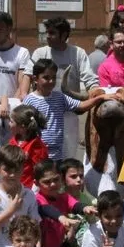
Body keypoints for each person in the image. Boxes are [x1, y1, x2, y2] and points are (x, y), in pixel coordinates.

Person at [31, 16, 100, 159]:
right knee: (42, 154)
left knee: (69, 155)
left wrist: (96, 91)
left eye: (52, 33)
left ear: (64, 36)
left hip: (69, 112)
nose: (47, 36)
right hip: (43, 112)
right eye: (47, 32)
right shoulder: (40, 53)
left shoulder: (78, 53)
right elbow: (28, 76)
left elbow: (89, 78)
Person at [23, 58, 111, 161]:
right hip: (37, 153)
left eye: (54, 77)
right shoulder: (29, 100)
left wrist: (100, 98)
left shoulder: (60, 97)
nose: (51, 81)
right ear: (35, 79)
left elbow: (82, 105)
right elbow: (23, 126)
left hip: (57, 153)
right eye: (46, 78)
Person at [34, 160, 95, 247]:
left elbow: (75, 205)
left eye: (56, 179)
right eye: (46, 182)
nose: (52, 184)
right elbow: (46, 209)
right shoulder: (37, 199)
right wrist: (61, 218)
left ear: (61, 178)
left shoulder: (64, 197)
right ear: (36, 183)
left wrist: (85, 208)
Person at [8, 104, 49, 188]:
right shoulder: (13, 141)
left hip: (26, 189)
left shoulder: (36, 146)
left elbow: (40, 171)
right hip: (12, 185)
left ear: (22, 127)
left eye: (11, 122)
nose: (9, 124)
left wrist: (34, 191)